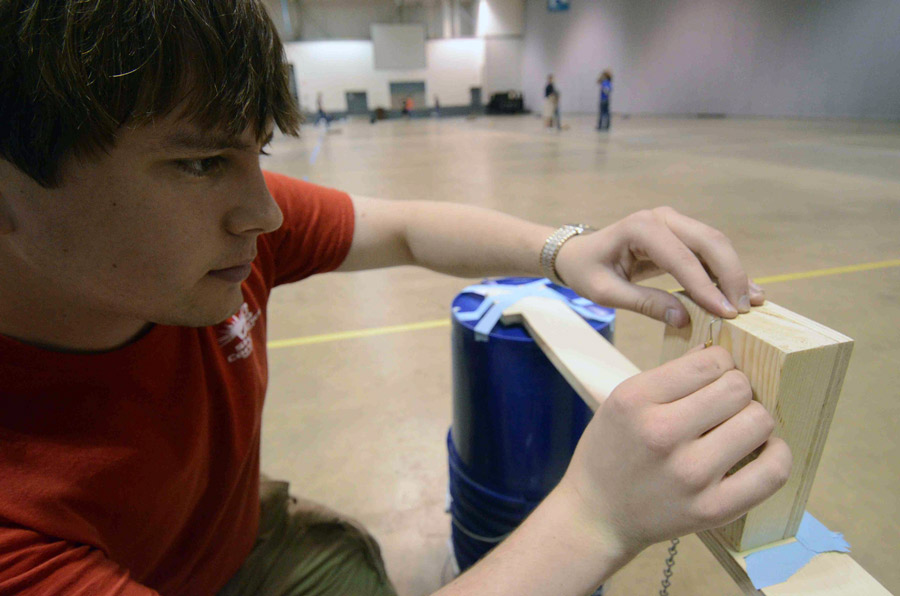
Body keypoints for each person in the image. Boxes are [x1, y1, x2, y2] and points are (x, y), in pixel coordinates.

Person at [0, 2, 787, 596]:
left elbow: (405, 228)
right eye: (201, 163)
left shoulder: (212, 243)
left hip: (227, 537)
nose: (265, 213)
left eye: (256, 152)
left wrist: (564, 249)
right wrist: (596, 518)